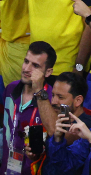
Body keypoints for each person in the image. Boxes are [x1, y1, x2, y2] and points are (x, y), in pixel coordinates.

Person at [0, 41, 54, 175]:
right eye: (26, 61)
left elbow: (54, 131)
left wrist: (39, 90)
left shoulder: (52, 99)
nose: (26, 68)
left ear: (48, 72)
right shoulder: (10, 90)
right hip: (6, 169)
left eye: (35, 66)